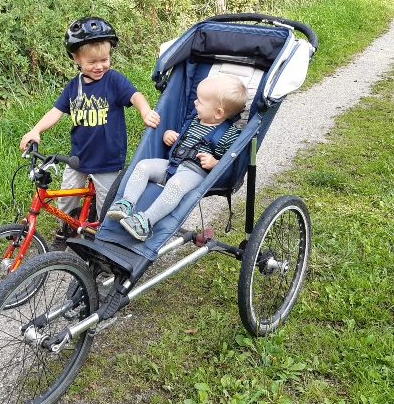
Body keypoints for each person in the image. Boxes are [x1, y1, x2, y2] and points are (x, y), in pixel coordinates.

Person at [19, 16, 160, 248]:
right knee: (65, 198)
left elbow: (135, 96)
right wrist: (35, 130)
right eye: (92, 62)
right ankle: (69, 229)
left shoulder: (113, 80)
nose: (99, 66)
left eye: (104, 59)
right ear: (76, 59)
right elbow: (56, 111)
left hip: (107, 160)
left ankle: (104, 241)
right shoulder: (74, 86)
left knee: (108, 208)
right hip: (78, 157)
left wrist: (145, 111)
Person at [106, 73, 248, 241]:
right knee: (143, 165)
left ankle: (146, 221)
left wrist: (215, 162)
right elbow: (182, 137)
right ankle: (127, 203)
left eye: (200, 102)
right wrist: (170, 135)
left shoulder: (229, 134)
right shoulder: (194, 120)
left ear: (218, 113)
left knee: (175, 185)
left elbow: (233, 161)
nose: (195, 103)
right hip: (171, 164)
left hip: (194, 173)